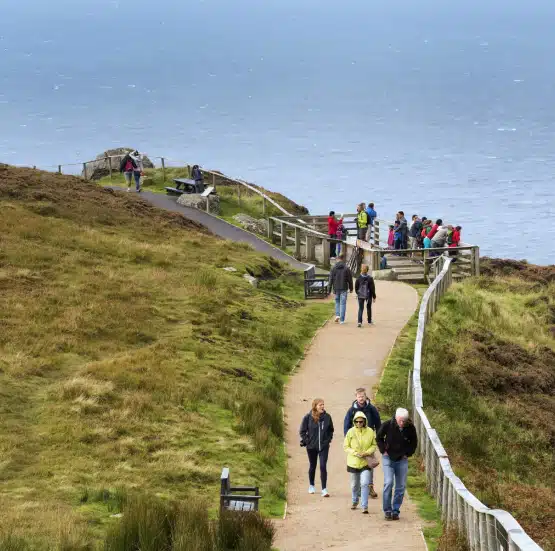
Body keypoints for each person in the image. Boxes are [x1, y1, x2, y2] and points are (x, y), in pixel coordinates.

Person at [377, 408, 418, 521]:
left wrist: (408, 453)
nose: (402, 423)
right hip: (388, 458)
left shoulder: (410, 428)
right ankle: (387, 510)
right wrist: (383, 450)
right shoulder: (387, 425)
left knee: (400, 487)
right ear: (396, 418)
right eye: (400, 420)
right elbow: (379, 437)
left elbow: (414, 443)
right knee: (388, 483)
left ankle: (395, 510)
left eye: (404, 421)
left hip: (402, 459)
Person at [343, 388, 381, 498]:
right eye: (359, 397)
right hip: (356, 442)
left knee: (369, 464)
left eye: (363, 396)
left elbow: (378, 423)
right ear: (356, 397)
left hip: (368, 440)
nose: (361, 399)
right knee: (357, 465)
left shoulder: (372, 409)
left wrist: (378, 436)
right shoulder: (351, 411)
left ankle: (370, 486)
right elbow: (346, 425)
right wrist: (348, 438)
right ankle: (358, 487)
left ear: (365, 397)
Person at [344, 412, 377, 514]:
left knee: (365, 483)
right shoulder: (350, 432)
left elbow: (374, 445)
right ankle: (355, 500)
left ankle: (364, 506)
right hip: (353, 462)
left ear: (364, 421)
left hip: (366, 462)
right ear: (354, 422)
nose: (359, 423)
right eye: (357, 421)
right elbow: (346, 446)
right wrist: (355, 453)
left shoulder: (370, 431)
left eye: (361, 421)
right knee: (354, 485)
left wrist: (367, 452)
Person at [299, 398, 334, 497]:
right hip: (311, 447)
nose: (322, 406)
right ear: (315, 406)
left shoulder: (327, 417)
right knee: (312, 466)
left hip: (324, 446)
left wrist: (328, 439)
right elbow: (302, 431)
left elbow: (331, 430)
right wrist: (308, 441)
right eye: (320, 405)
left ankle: (324, 489)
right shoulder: (308, 417)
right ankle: (311, 485)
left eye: (323, 404)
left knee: (323, 466)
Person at [329, 253, 353, 324]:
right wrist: (351, 288)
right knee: (343, 303)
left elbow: (331, 279)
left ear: (337, 258)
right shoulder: (346, 268)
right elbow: (350, 279)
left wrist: (329, 289)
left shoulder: (333, 268)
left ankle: (337, 315)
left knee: (337, 302)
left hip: (336, 288)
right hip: (344, 288)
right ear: (343, 259)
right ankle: (342, 320)